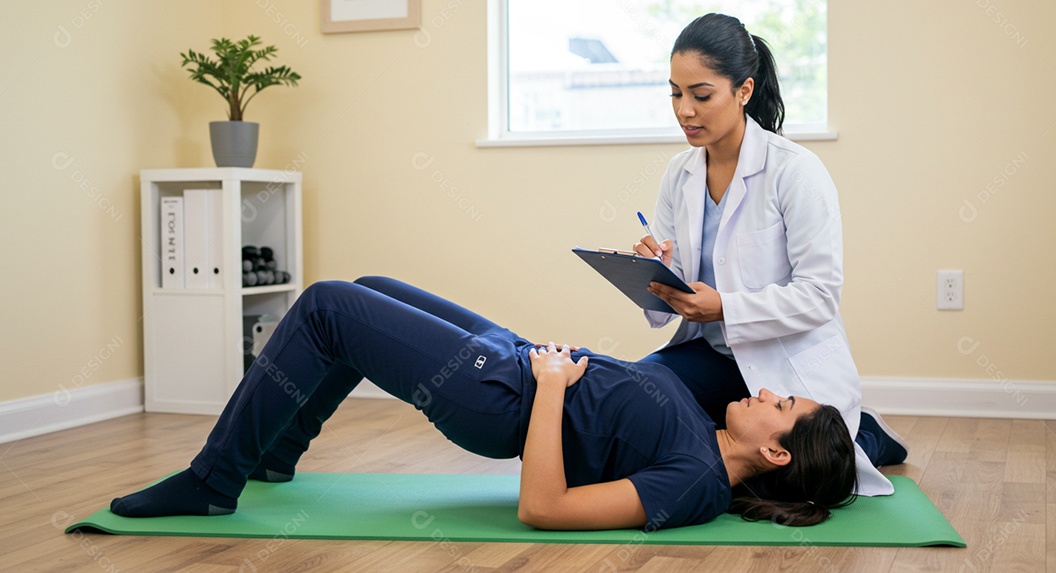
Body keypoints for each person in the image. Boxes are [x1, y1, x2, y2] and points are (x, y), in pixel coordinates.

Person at [111, 277, 856, 530]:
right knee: (365, 287)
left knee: (328, 306)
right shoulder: (704, 425)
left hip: (498, 395)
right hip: (519, 357)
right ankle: (274, 454)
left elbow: (544, 506)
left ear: (776, 450)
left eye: (780, 401)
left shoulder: (695, 483)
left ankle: (214, 482)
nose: (763, 389)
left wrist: (553, 389)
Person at [631, 14, 907, 498]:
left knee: (792, 477)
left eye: (701, 94)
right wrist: (658, 274)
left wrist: (726, 307)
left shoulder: (795, 171)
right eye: (675, 93)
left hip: (784, 369)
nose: (684, 111)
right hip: (712, 352)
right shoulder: (679, 174)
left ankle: (865, 435)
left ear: (743, 91)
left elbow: (819, 296)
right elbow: (677, 283)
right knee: (635, 397)